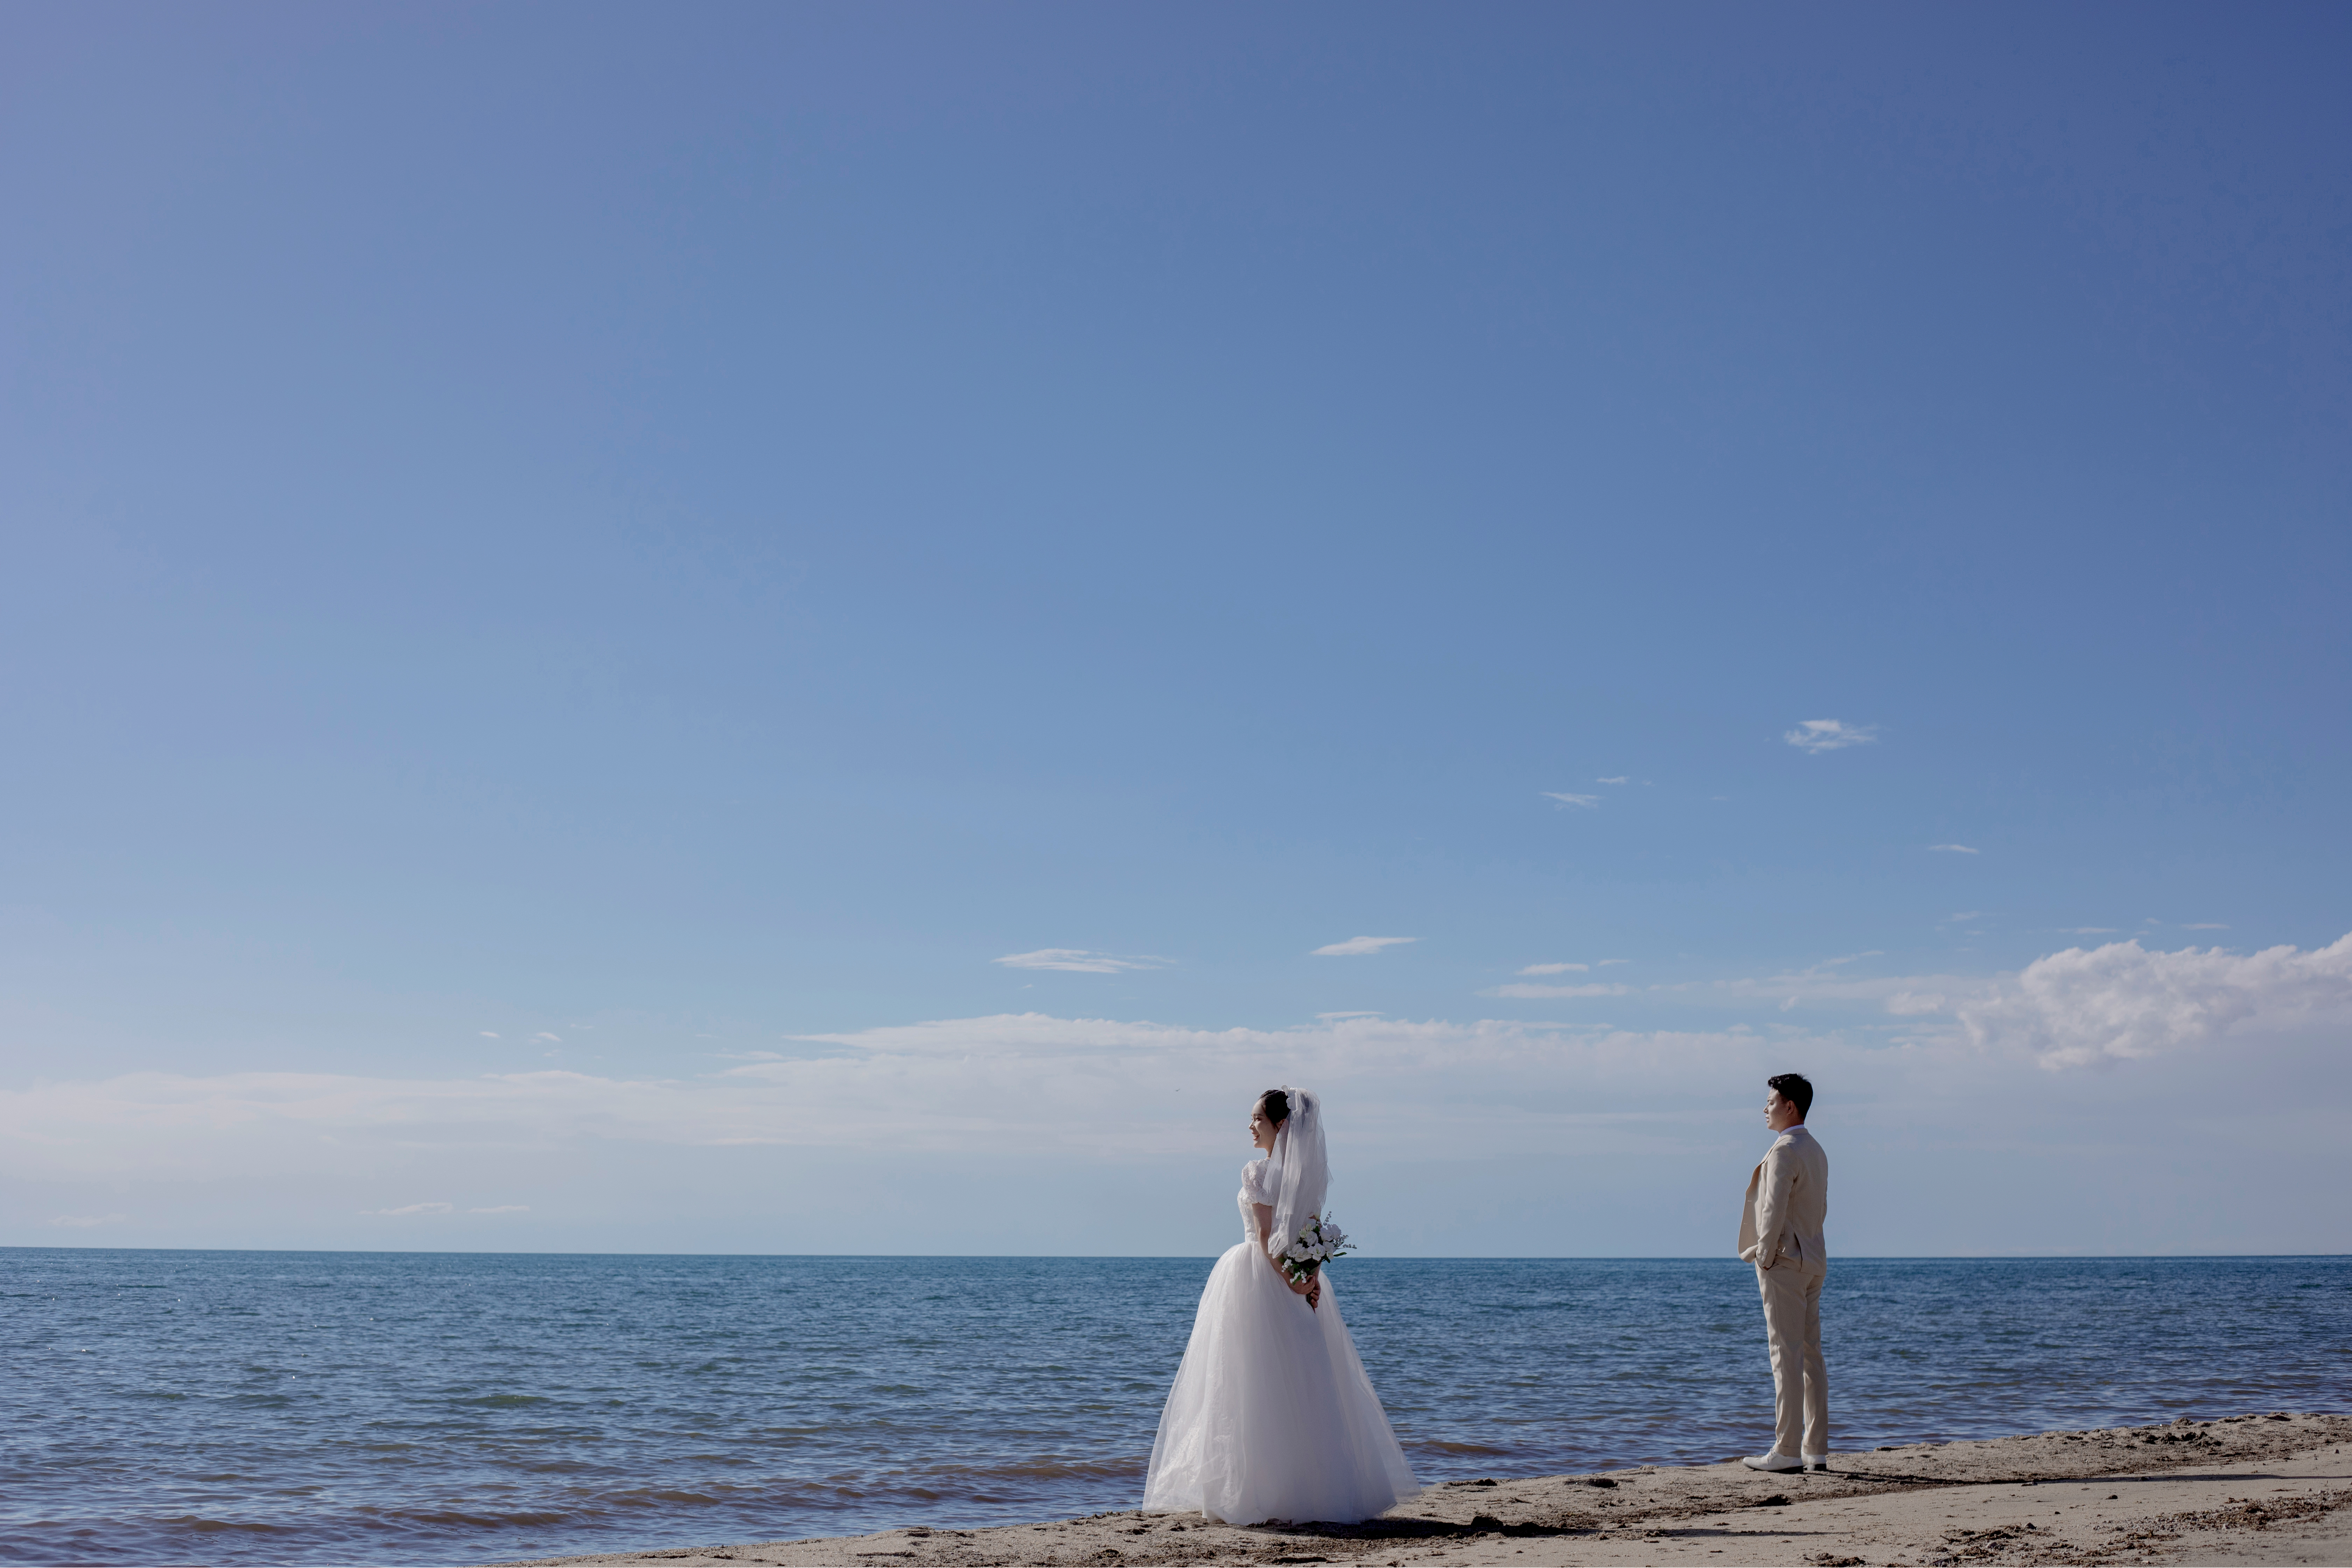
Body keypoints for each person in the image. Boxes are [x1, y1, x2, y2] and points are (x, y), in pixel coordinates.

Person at [1142, 1086, 1420, 1525]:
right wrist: (1307, 1279)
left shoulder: (1257, 1172)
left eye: (1257, 1119)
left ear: (1281, 1125)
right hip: (1294, 1280)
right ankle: (1310, 1490)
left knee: (1251, 1383)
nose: (1250, 1126)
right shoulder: (1305, 1177)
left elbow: (1271, 1241)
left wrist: (1295, 1281)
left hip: (1260, 1277)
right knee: (1300, 1382)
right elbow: (1300, 1240)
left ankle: (1260, 1492)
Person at [1737, 1072, 1830, 1474]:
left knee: (1785, 1355)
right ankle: (1815, 1448)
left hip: (1785, 1262)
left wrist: (1764, 1255)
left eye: (1771, 1101)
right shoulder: (1816, 1149)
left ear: (1790, 1106)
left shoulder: (1785, 1150)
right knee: (1810, 1355)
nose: (1766, 1108)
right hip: (1813, 1260)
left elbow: (1773, 1210)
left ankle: (1788, 1449)